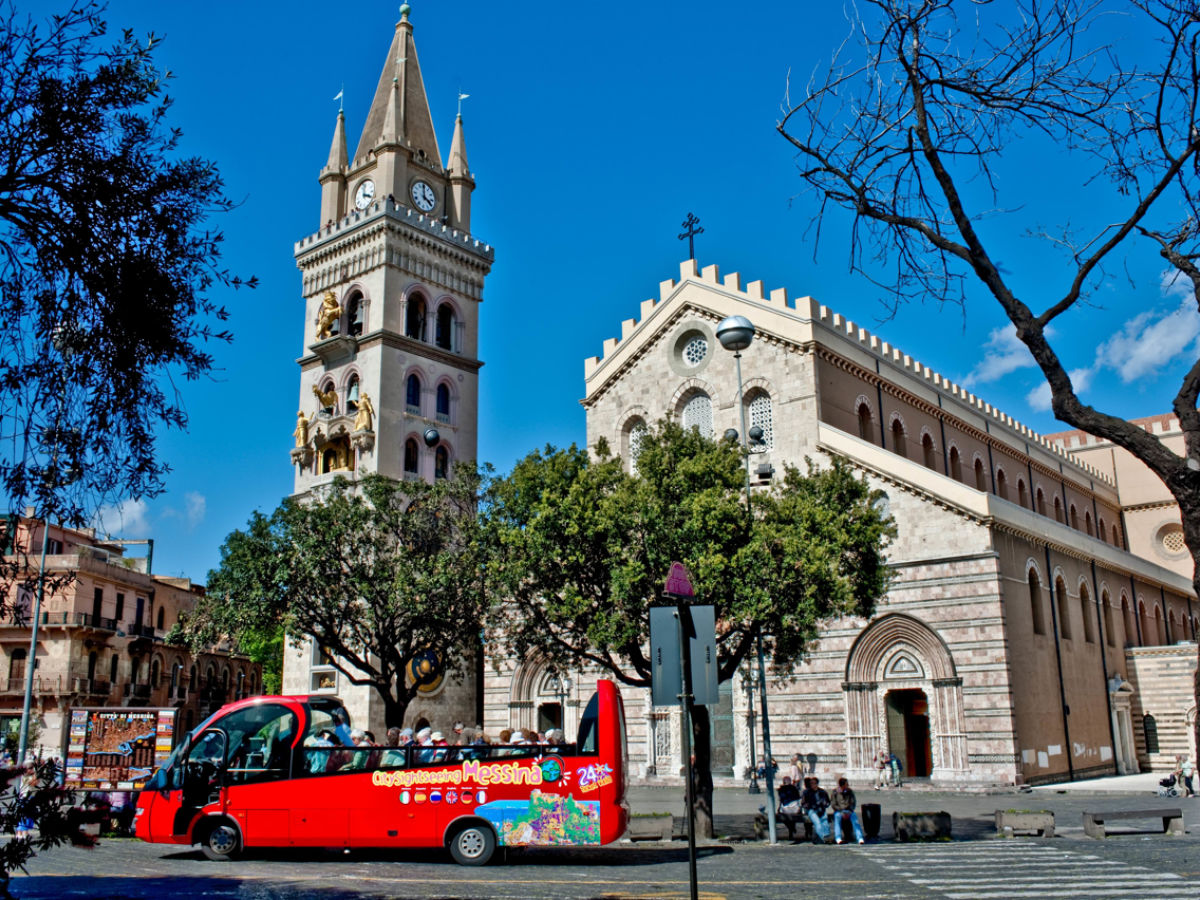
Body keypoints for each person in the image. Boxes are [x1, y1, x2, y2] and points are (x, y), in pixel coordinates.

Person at [829, 777, 866, 844]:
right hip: (839, 811)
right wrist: (841, 811)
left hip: (848, 811)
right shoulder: (835, 792)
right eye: (846, 784)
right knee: (837, 819)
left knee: (855, 820)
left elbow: (853, 802)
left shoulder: (849, 792)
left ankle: (860, 837)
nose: (847, 785)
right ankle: (838, 837)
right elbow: (833, 804)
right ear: (842, 785)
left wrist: (849, 810)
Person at [800, 776, 831, 844]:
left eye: (814, 783)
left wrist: (825, 804)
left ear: (817, 784)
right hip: (811, 809)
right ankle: (821, 837)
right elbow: (803, 803)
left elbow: (828, 802)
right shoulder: (806, 792)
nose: (812, 785)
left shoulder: (822, 792)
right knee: (817, 822)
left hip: (821, 809)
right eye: (811, 783)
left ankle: (826, 836)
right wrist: (808, 806)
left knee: (825, 820)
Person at [776, 775, 803, 840]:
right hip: (795, 808)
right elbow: (798, 798)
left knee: (782, 816)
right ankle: (792, 828)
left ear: (783, 782)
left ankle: (790, 828)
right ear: (790, 781)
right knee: (793, 818)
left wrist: (779, 808)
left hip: (785, 809)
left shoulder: (781, 789)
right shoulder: (794, 788)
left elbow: (781, 800)